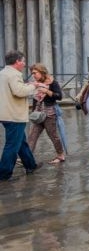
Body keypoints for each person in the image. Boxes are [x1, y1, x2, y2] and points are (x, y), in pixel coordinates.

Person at [0, 51, 46, 181]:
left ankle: (30, 165)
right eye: (23, 61)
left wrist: (30, 87)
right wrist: (33, 85)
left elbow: (14, 90)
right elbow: (19, 91)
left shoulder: (3, 73)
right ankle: (4, 174)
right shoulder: (14, 74)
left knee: (21, 143)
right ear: (17, 62)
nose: (24, 64)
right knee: (12, 145)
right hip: (14, 115)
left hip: (6, 113)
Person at [27, 63, 65, 164]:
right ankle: (26, 157)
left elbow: (59, 96)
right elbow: (35, 100)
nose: (33, 75)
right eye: (32, 73)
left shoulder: (53, 83)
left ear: (42, 72)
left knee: (53, 135)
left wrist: (47, 91)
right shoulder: (35, 83)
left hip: (49, 113)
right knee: (32, 135)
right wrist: (33, 112)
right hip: (38, 114)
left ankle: (60, 155)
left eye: (35, 73)